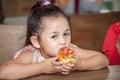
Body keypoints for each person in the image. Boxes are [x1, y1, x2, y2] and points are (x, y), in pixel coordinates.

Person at [0, 0, 108, 79]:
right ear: (36, 42)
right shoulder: (33, 54)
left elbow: (103, 60)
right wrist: (42, 67)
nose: (63, 41)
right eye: (54, 36)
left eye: (66, 33)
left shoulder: (70, 50)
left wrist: (79, 64)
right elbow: (3, 72)